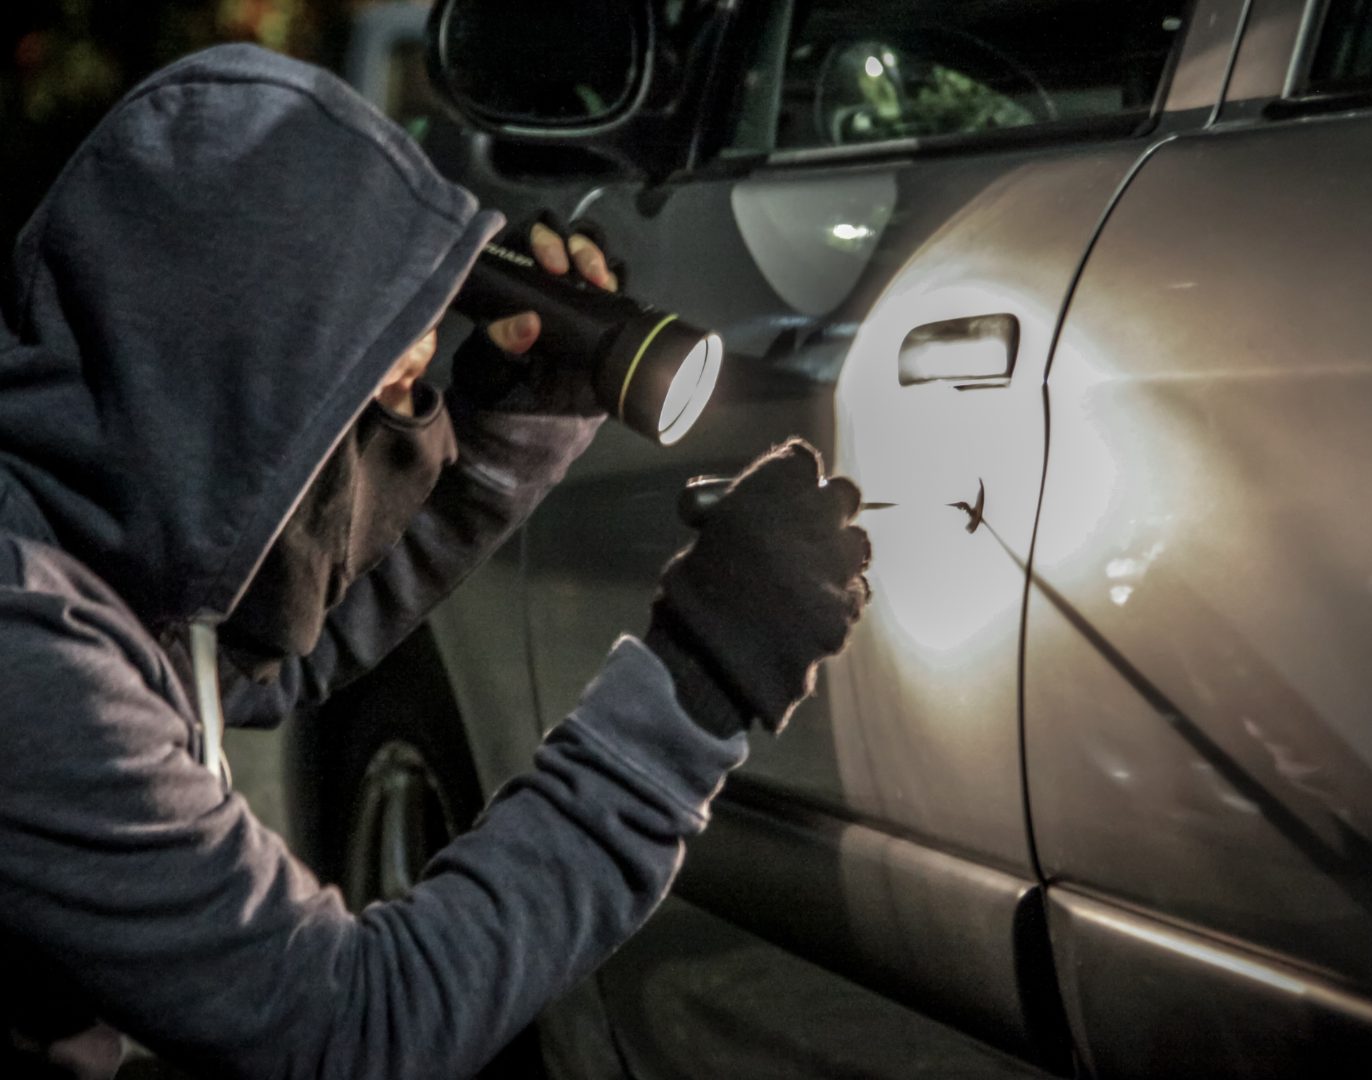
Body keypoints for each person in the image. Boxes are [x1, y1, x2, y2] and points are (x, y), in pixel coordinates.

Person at [0, 44, 870, 1080]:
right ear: (234, 391)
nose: (409, 428)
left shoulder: (84, 547)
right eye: (381, 398)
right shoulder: (26, 657)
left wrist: (518, 428)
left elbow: (275, 654)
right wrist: (698, 687)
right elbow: (350, 1029)